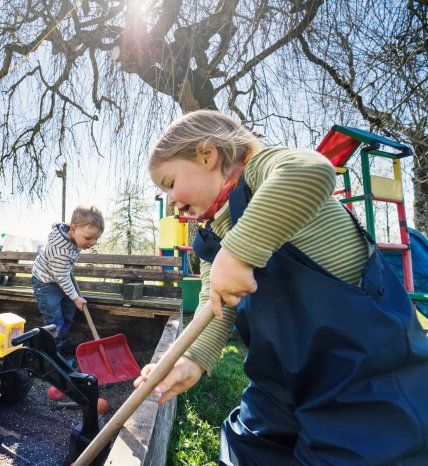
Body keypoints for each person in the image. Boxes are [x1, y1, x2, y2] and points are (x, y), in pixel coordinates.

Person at [136, 109, 428, 464]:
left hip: (361, 380)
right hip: (281, 385)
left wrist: (239, 253)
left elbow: (312, 170)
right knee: (246, 448)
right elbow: (214, 306)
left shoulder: (261, 170)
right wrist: (190, 359)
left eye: (169, 183)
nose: (169, 199)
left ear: (207, 155)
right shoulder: (213, 235)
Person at [32, 205, 104, 356]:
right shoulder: (61, 250)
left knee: (68, 313)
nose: (91, 243)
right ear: (72, 230)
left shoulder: (73, 236)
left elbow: (64, 271)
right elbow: (62, 277)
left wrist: (73, 298)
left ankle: (62, 344)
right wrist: (76, 297)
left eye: (95, 239)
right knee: (54, 321)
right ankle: (54, 354)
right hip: (46, 284)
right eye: (88, 238)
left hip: (60, 277)